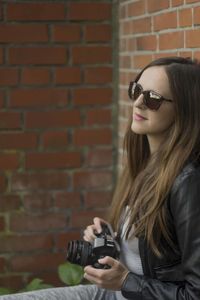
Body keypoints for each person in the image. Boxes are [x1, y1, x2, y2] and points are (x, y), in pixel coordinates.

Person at [1, 56, 200, 299]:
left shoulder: (188, 183)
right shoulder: (146, 164)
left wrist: (126, 281)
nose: (138, 103)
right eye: (136, 90)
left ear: (184, 108)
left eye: (153, 99)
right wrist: (112, 239)